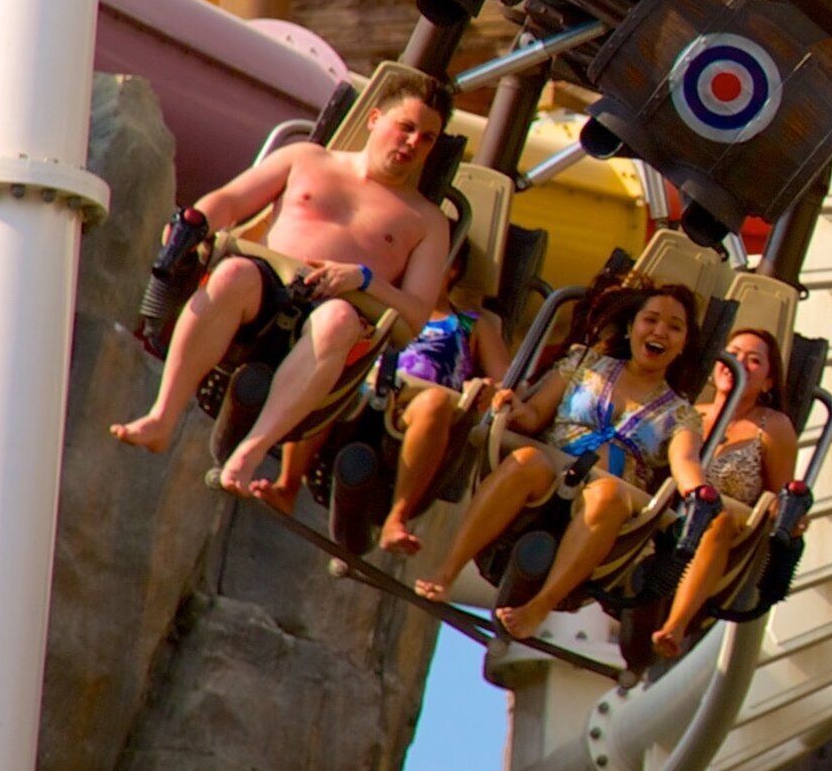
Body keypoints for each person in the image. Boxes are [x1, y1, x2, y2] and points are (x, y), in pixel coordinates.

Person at [113, 81, 457, 497]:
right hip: (265, 287)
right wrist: (196, 221)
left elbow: (417, 313)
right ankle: (161, 418)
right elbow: (231, 200)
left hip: (342, 311)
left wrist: (365, 279)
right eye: (406, 127)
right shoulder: (306, 159)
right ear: (374, 119)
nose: (413, 142)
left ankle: (248, 455)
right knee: (231, 275)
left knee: (338, 320)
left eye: (427, 138)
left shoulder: (426, 221)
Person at [412, 278, 708, 640]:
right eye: (651, 320)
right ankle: (446, 572)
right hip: (552, 466)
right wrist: (513, 408)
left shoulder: (681, 413)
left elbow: (686, 462)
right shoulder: (584, 364)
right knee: (526, 460)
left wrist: (700, 494)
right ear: (632, 327)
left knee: (610, 498)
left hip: (608, 490)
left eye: (674, 327)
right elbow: (534, 414)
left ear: (683, 345)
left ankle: (539, 606)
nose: (660, 330)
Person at [650, 326, 804, 653]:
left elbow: (779, 495)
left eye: (752, 361)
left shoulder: (773, 426)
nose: (737, 364)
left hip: (727, 529)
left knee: (716, 520)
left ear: (768, 381)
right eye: (732, 355)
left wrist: (792, 518)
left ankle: (674, 627)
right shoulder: (690, 413)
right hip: (668, 515)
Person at [374, 267, 515, 555]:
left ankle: (396, 518)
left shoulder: (469, 324)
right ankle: (285, 481)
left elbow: (507, 384)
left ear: (451, 270)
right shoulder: (381, 300)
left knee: (434, 402)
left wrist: (490, 388)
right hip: (369, 388)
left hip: (419, 406)